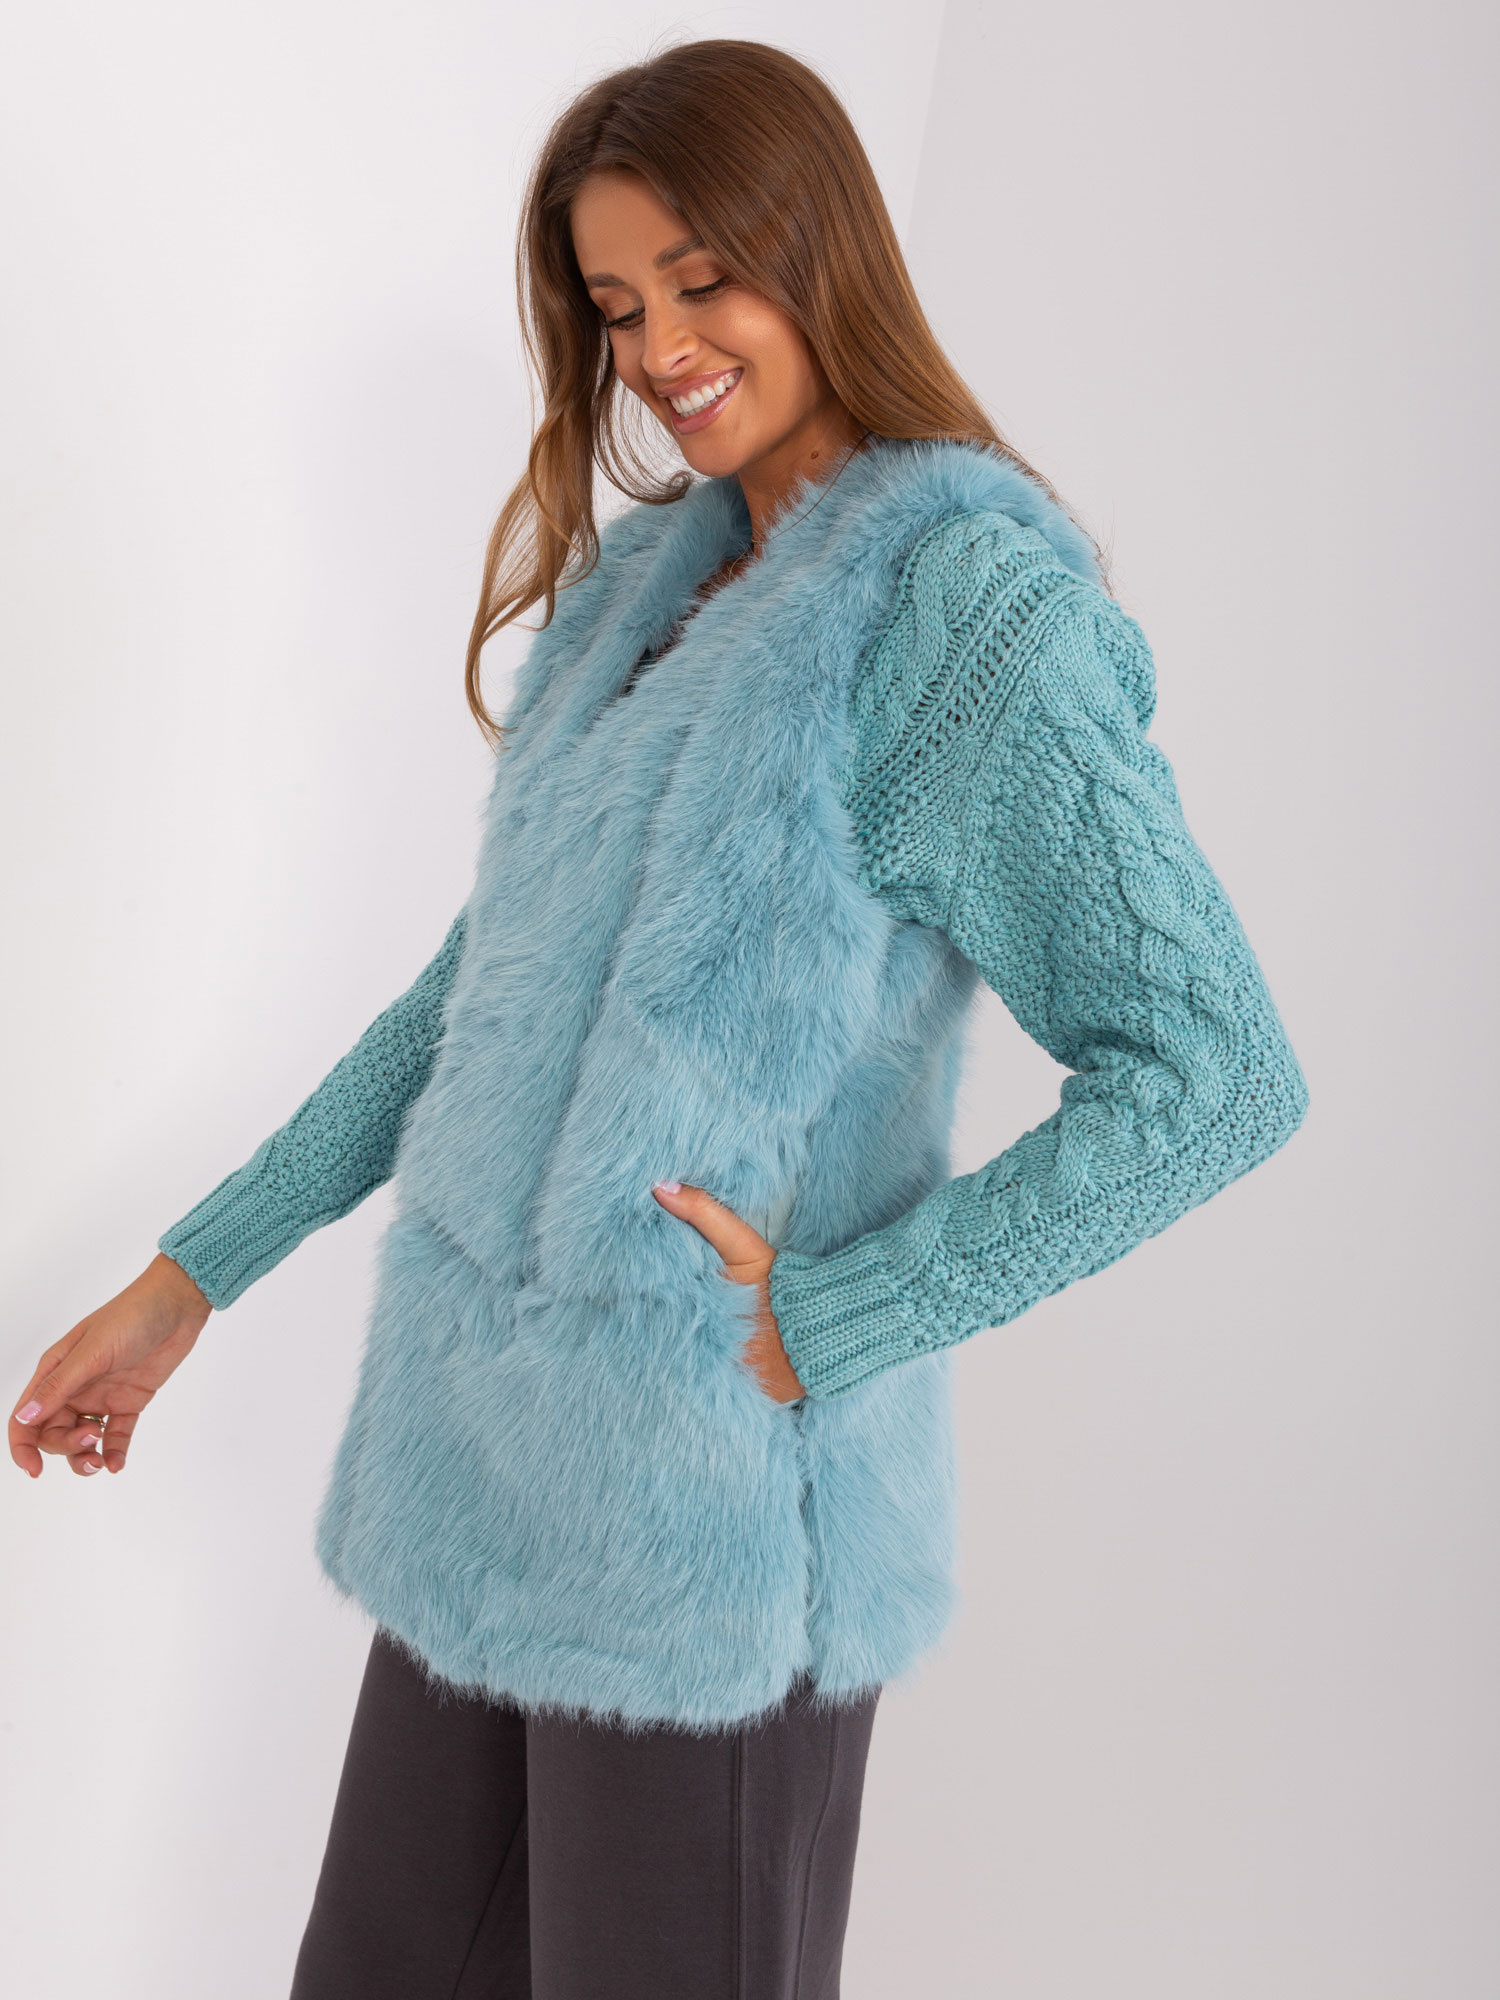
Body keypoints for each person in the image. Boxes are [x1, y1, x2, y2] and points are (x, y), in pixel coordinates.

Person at [8, 37, 1310, 2000]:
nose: (664, 352)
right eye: (620, 306)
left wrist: (836, 1316)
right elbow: (477, 998)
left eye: (706, 281)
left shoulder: (962, 618)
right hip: (481, 1477)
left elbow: (1217, 1074)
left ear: (821, 251)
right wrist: (192, 1279)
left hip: (718, 1543)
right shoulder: (650, 594)